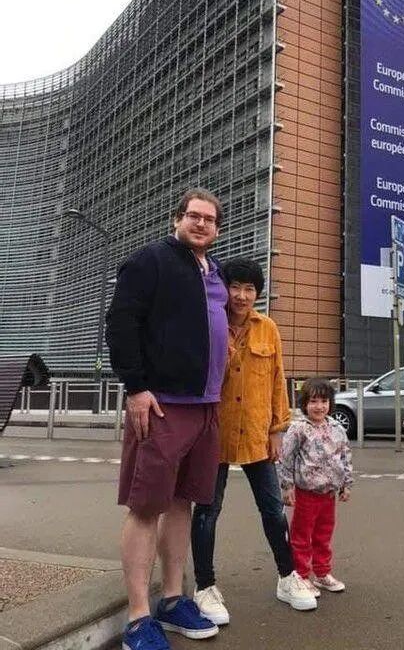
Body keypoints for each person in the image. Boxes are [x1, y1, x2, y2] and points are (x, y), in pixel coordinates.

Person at [106, 188, 228, 650]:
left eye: (209, 219)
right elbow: (121, 323)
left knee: (182, 503)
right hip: (162, 404)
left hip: (206, 406)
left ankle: (173, 599)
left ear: (217, 229)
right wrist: (136, 387)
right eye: (193, 216)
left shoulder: (214, 271)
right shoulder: (151, 260)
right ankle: (139, 618)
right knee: (146, 507)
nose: (201, 224)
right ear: (177, 219)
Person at [191, 257, 317, 625]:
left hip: (258, 433)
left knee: (273, 509)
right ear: (224, 289)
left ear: (257, 294)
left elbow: (278, 380)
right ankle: (204, 586)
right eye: (235, 287)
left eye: (250, 289)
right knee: (207, 511)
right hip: (215, 432)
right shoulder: (209, 324)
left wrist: (278, 429)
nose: (242, 296)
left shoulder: (268, 328)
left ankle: (287, 577)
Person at [279, 378, 353, 594]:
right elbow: (286, 458)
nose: (319, 406)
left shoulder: (337, 428)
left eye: (324, 401)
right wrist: (287, 486)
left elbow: (345, 455)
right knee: (301, 535)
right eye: (313, 401)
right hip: (306, 493)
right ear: (304, 404)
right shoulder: (298, 429)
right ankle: (301, 575)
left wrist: (346, 483)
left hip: (329, 493)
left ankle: (322, 572)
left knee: (323, 534)